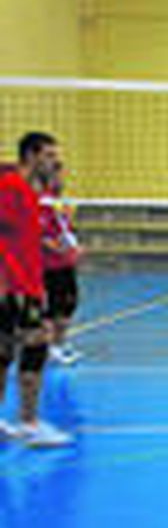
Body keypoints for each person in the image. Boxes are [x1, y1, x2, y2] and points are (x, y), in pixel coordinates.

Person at [0, 132, 71, 447]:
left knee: (4, 351)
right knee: (37, 343)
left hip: (28, 281)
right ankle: (29, 423)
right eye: (49, 155)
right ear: (31, 155)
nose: (55, 161)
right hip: (13, 285)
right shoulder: (11, 187)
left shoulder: (29, 192)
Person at [41, 170, 84, 365]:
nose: (61, 181)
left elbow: (65, 230)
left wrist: (75, 247)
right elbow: (41, 235)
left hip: (66, 263)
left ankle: (59, 345)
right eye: (57, 177)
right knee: (53, 309)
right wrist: (58, 248)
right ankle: (50, 348)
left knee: (69, 304)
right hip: (50, 265)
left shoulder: (59, 203)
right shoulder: (42, 203)